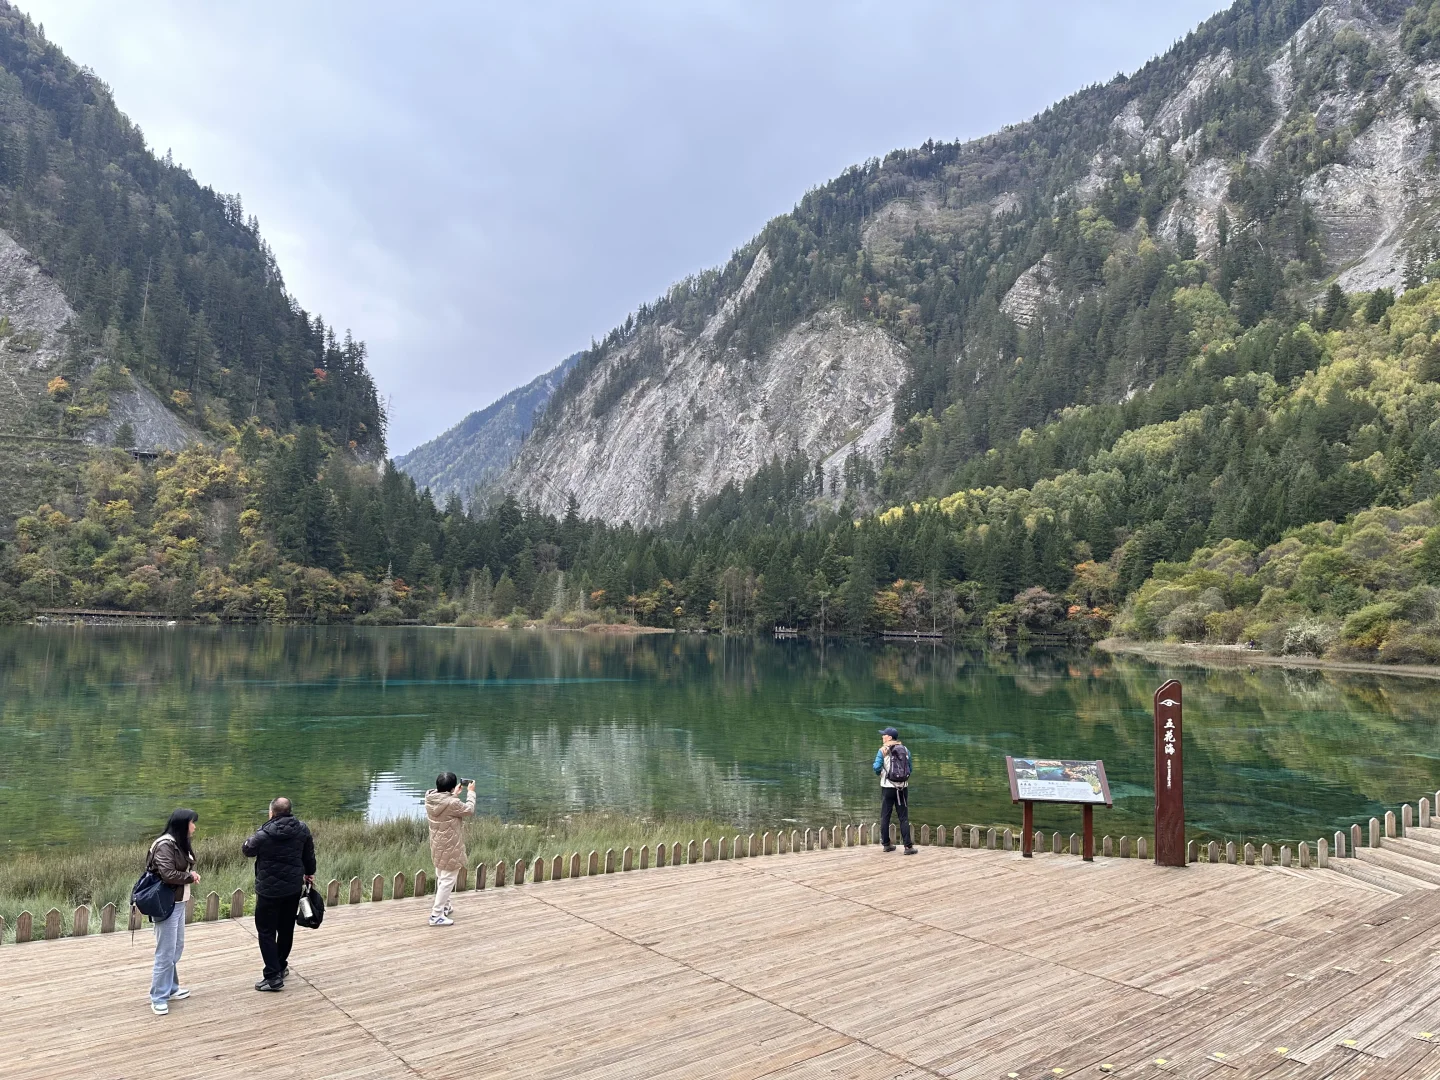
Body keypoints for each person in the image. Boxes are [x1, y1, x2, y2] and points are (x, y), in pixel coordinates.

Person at [241, 796, 316, 992]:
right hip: (292, 888)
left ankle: (273, 976)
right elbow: (309, 854)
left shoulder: (264, 833)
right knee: (286, 929)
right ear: (289, 811)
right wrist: (309, 872)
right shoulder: (302, 829)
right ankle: (281, 966)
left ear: (272, 812)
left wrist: (253, 836)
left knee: (266, 932)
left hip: (268, 891)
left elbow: (247, 850)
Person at [146, 808, 201, 1015]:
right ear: (182, 824)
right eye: (192, 823)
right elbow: (168, 874)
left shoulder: (178, 843)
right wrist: (190, 877)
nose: (194, 827)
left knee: (176, 948)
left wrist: (189, 874)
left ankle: (171, 987)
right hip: (166, 903)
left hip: (178, 902)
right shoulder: (164, 845)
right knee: (165, 952)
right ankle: (158, 996)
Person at [424, 772, 477, 926]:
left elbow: (445, 804)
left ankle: (445, 907)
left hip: (437, 844)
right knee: (448, 880)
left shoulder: (430, 798)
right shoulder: (452, 803)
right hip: (450, 845)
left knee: (442, 875)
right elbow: (468, 810)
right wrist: (471, 792)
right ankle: (436, 915)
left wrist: (453, 794)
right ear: (451, 788)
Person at [873, 727, 915, 854]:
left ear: (890, 737)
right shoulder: (906, 750)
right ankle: (908, 847)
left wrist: (881, 774)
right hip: (902, 788)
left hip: (887, 787)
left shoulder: (883, 750)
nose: (882, 737)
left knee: (885, 816)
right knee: (903, 817)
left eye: (884, 735)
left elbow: (876, 767)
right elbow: (910, 769)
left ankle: (886, 844)